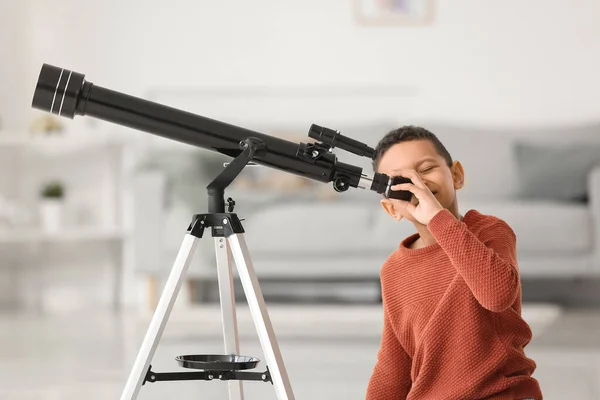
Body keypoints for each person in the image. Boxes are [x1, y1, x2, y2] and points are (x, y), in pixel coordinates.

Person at [366, 126, 543, 400]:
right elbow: (393, 364)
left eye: (425, 169)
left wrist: (437, 217)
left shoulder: (490, 232)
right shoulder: (394, 270)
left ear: (456, 175)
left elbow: (497, 296)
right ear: (391, 208)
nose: (417, 184)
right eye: (401, 180)